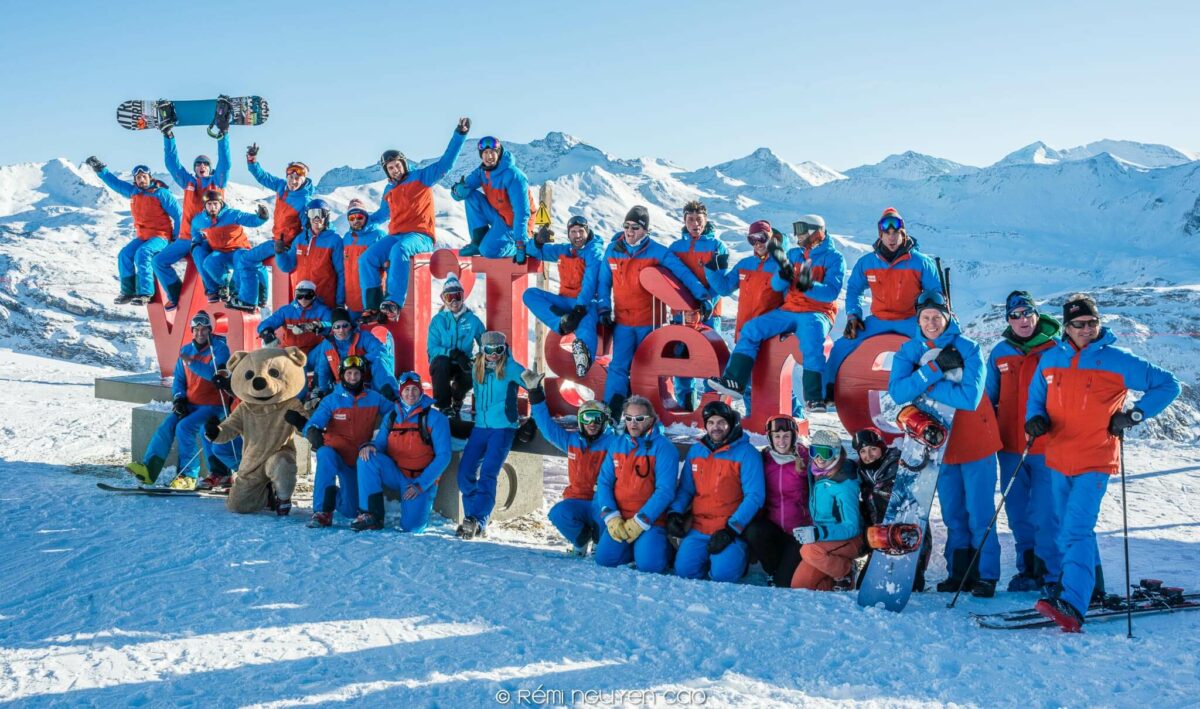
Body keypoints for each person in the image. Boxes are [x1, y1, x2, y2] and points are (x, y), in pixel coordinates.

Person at [1027, 294, 1180, 632]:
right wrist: (1034, 419)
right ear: (1066, 326)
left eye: (1092, 322)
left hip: (1095, 458)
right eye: (1079, 324)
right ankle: (1089, 589)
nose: (1086, 329)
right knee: (1067, 528)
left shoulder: (1116, 359)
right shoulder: (1051, 359)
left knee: (1075, 529)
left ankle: (1073, 605)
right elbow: (1036, 398)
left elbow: (1169, 385)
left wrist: (1135, 414)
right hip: (1057, 457)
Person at [888, 290, 1003, 597]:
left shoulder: (968, 348)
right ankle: (959, 572)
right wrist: (934, 370)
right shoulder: (909, 350)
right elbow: (898, 394)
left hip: (976, 440)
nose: (931, 323)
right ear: (918, 319)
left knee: (979, 511)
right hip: (942, 444)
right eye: (925, 317)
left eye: (936, 317)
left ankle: (986, 574)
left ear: (947, 316)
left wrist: (923, 384)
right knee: (953, 512)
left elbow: (969, 397)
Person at [708, 215, 845, 413]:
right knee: (752, 328)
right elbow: (776, 285)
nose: (798, 234)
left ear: (817, 232)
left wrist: (808, 285)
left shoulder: (834, 258)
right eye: (796, 229)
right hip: (789, 310)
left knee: (811, 341)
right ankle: (734, 380)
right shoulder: (794, 254)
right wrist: (783, 276)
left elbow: (830, 292)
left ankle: (814, 397)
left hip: (816, 312)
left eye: (802, 230)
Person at [596, 206, 712, 412]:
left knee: (648, 369)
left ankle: (651, 411)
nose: (629, 231)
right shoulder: (613, 250)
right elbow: (603, 283)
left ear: (646, 231)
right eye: (626, 226)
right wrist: (604, 308)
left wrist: (701, 296)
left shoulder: (657, 251)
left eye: (635, 227)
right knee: (618, 367)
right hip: (622, 323)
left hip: (648, 325)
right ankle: (611, 412)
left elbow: (683, 274)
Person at [985, 290, 1063, 592]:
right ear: (1008, 320)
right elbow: (989, 399)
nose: (1022, 319)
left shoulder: (1055, 349)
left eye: (1027, 312)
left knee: (1046, 512)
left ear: (1037, 314)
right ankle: (1028, 569)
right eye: (1015, 315)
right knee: (1017, 512)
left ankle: (1052, 573)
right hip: (1009, 448)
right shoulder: (1000, 353)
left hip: (1046, 446)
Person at [823, 208, 941, 401]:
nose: (892, 238)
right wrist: (853, 315)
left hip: (910, 320)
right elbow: (854, 290)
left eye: (896, 233)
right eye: (887, 233)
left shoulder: (921, 263)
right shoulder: (867, 262)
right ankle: (827, 392)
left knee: (934, 348)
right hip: (879, 320)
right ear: (881, 235)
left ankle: (935, 395)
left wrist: (929, 322)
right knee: (841, 346)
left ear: (903, 234)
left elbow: (935, 295)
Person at [359, 118, 471, 311]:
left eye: (397, 165)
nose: (395, 170)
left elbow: (446, 164)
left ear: (404, 164)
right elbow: (381, 215)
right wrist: (363, 222)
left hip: (420, 235)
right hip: (396, 235)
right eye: (391, 168)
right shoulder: (389, 190)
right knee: (367, 258)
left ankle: (393, 302)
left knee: (399, 250)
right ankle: (372, 307)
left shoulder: (420, 177)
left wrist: (459, 135)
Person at [125, 312, 233, 489]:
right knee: (167, 426)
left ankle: (188, 475)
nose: (200, 333)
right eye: (196, 329)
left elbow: (215, 376)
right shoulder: (186, 351)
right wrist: (179, 399)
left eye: (204, 329)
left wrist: (192, 363)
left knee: (185, 427)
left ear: (209, 330)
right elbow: (180, 380)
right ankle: (149, 470)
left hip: (213, 405)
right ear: (192, 330)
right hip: (191, 403)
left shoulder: (219, 348)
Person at [669, 401, 764, 582]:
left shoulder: (746, 453)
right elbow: (686, 489)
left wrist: (732, 529)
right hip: (699, 527)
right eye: (711, 423)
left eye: (721, 422)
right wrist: (675, 512)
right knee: (684, 572)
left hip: (730, 528)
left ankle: (738, 559)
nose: (716, 428)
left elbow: (755, 496)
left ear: (730, 423)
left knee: (724, 576)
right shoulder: (697, 451)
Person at [525, 373, 619, 554]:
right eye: (587, 418)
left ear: (604, 421)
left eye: (597, 418)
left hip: (602, 502)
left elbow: (633, 445)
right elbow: (547, 427)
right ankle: (581, 540)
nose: (592, 423)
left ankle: (600, 543)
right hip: (577, 499)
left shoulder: (613, 442)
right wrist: (535, 393)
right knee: (557, 513)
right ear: (581, 421)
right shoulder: (572, 442)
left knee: (603, 512)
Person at [351, 371, 452, 532]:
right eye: (406, 390)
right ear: (400, 392)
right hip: (396, 473)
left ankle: (419, 507)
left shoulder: (435, 418)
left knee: (412, 528)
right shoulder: (392, 416)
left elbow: (444, 456)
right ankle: (370, 514)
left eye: (414, 389)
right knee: (366, 457)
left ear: (421, 391)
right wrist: (371, 446)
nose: (410, 394)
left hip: (420, 480)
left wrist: (421, 485)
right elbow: (380, 444)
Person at [455, 331, 529, 539]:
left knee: (488, 473)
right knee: (464, 473)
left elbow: (533, 384)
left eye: (499, 349)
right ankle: (472, 519)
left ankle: (478, 520)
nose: (494, 354)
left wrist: (533, 418)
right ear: (482, 350)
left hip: (503, 428)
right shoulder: (477, 368)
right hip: (481, 427)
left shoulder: (510, 367)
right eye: (489, 350)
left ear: (504, 349)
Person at [593, 395, 680, 573]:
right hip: (621, 518)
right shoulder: (617, 445)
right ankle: (638, 550)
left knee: (649, 566)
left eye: (639, 419)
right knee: (604, 560)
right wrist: (611, 517)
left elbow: (665, 491)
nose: (633, 423)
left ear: (651, 420)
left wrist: (641, 521)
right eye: (628, 418)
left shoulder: (664, 448)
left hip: (651, 519)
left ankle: (662, 550)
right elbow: (604, 482)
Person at [302, 356, 388, 527]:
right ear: (342, 375)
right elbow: (313, 423)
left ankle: (331, 495)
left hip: (357, 460)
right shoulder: (332, 400)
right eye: (349, 373)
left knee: (350, 510)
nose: (353, 377)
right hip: (336, 455)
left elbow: (396, 414)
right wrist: (312, 431)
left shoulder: (374, 398)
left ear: (362, 375)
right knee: (324, 453)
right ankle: (322, 512)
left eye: (356, 373)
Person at [153, 126, 231, 309]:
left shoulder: (217, 182)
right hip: (186, 237)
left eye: (205, 164)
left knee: (202, 257)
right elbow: (173, 164)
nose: (201, 166)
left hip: (207, 238)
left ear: (210, 168)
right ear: (194, 168)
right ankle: (177, 295)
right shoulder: (188, 182)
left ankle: (217, 288)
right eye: (198, 164)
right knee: (158, 261)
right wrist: (168, 136)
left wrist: (223, 136)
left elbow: (225, 163)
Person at [85, 158, 181, 305]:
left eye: (144, 177)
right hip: (143, 236)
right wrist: (100, 170)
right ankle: (128, 292)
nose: (141, 179)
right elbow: (115, 183)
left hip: (161, 236)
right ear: (135, 180)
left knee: (143, 253)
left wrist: (176, 236)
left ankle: (145, 293)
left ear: (150, 178)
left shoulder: (161, 193)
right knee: (124, 255)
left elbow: (178, 214)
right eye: (138, 177)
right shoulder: (133, 192)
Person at [852, 427, 932, 591]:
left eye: (873, 449)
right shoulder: (862, 473)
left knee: (911, 586)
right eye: (863, 451)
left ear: (881, 447)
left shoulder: (897, 464)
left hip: (907, 534)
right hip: (881, 538)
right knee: (863, 586)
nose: (869, 455)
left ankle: (915, 574)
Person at [523, 215, 605, 377]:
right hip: (565, 301)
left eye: (581, 231)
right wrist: (538, 242)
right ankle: (561, 321)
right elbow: (534, 252)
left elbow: (590, 283)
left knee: (586, 322)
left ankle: (584, 355)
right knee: (530, 294)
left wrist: (579, 310)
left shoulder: (594, 252)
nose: (577, 235)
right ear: (568, 234)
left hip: (586, 303)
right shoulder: (565, 250)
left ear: (587, 232)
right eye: (573, 232)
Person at [233, 146, 315, 308]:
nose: (293, 181)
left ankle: (252, 300)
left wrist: (292, 246)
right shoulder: (281, 186)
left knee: (249, 260)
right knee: (246, 259)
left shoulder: (304, 201)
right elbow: (263, 177)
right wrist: (252, 160)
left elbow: (308, 229)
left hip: (287, 247)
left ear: (304, 178)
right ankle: (250, 299)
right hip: (276, 241)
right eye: (290, 177)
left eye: (297, 177)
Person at [666, 201, 727, 410]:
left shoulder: (717, 247)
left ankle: (714, 407)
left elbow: (721, 282)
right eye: (690, 220)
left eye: (698, 220)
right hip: (681, 314)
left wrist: (708, 303)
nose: (695, 224)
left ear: (706, 220)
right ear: (684, 221)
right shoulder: (675, 248)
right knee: (681, 359)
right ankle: (686, 407)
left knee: (711, 358)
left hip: (710, 313)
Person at [741, 415, 811, 587]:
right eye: (777, 436)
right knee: (754, 531)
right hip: (773, 529)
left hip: (799, 532)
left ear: (793, 436)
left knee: (783, 584)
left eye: (786, 436)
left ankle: (782, 574)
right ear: (770, 438)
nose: (781, 441)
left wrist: (804, 472)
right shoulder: (764, 458)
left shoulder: (806, 458)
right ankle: (774, 570)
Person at [790, 430, 863, 591]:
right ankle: (832, 577)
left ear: (836, 454)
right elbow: (798, 453)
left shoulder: (845, 484)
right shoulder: (817, 471)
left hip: (850, 540)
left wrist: (818, 533)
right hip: (825, 542)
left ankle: (845, 571)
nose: (819, 458)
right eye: (815, 451)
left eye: (825, 453)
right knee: (800, 586)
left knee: (808, 550)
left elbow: (852, 527)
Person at [451, 135, 534, 259]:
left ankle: (524, 246)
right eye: (485, 152)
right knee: (470, 195)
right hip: (499, 216)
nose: (489, 156)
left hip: (516, 225)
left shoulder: (514, 176)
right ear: (481, 155)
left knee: (488, 251)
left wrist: (521, 244)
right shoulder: (482, 171)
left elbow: (522, 213)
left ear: (499, 153)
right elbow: (464, 189)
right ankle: (477, 241)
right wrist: (458, 191)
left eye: (492, 152)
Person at [190, 190, 269, 303]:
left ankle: (237, 292)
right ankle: (224, 285)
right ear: (205, 206)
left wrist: (261, 217)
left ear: (221, 204)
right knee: (209, 262)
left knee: (239, 259)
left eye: (215, 204)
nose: (213, 207)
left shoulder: (231, 215)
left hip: (238, 250)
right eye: (209, 204)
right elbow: (194, 227)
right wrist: (196, 240)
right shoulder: (201, 219)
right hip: (221, 253)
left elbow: (250, 220)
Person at [267, 198, 343, 312]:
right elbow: (287, 266)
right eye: (313, 214)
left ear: (326, 217)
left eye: (320, 214)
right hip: (302, 300)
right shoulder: (300, 239)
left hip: (324, 301)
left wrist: (340, 302)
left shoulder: (334, 240)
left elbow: (342, 273)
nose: (317, 218)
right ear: (308, 216)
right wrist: (280, 253)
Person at [427, 275, 485, 418]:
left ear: (463, 297)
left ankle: (458, 397)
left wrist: (479, 356)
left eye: (457, 296)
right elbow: (432, 349)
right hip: (444, 364)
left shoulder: (473, 320)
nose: (454, 302)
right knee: (441, 362)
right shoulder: (437, 321)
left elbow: (484, 342)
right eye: (449, 297)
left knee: (475, 369)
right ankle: (444, 407)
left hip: (463, 363)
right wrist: (452, 353)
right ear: (443, 299)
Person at [309, 307, 397, 400]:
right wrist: (324, 391)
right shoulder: (327, 344)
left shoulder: (363, 337)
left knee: (380, 360)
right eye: (337, 327)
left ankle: (389, 393)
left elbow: (381, 350)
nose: (341, 330)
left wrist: (364, 359)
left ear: (350, 326)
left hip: (366, 384)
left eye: (345, 326)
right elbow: (323, 369)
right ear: (332, 329)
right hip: (343, 388)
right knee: (318, 369)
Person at [257, 280, 332, 353]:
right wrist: (267, 334)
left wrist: (317, 326)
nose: (303, 299)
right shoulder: (286, 311)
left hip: (314, 351)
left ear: (314, 296)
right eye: (299, 295)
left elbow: (331, 324)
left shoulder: (323, 310)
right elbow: (267, 323)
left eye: (308, 295)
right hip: (290, 350)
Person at [341, 199, 385, 315]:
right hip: (352, 302)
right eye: (351, 218)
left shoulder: (378, 235)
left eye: (359, 217)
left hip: (373, 302)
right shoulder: (347, 238)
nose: (356, 221)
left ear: (366, 217)